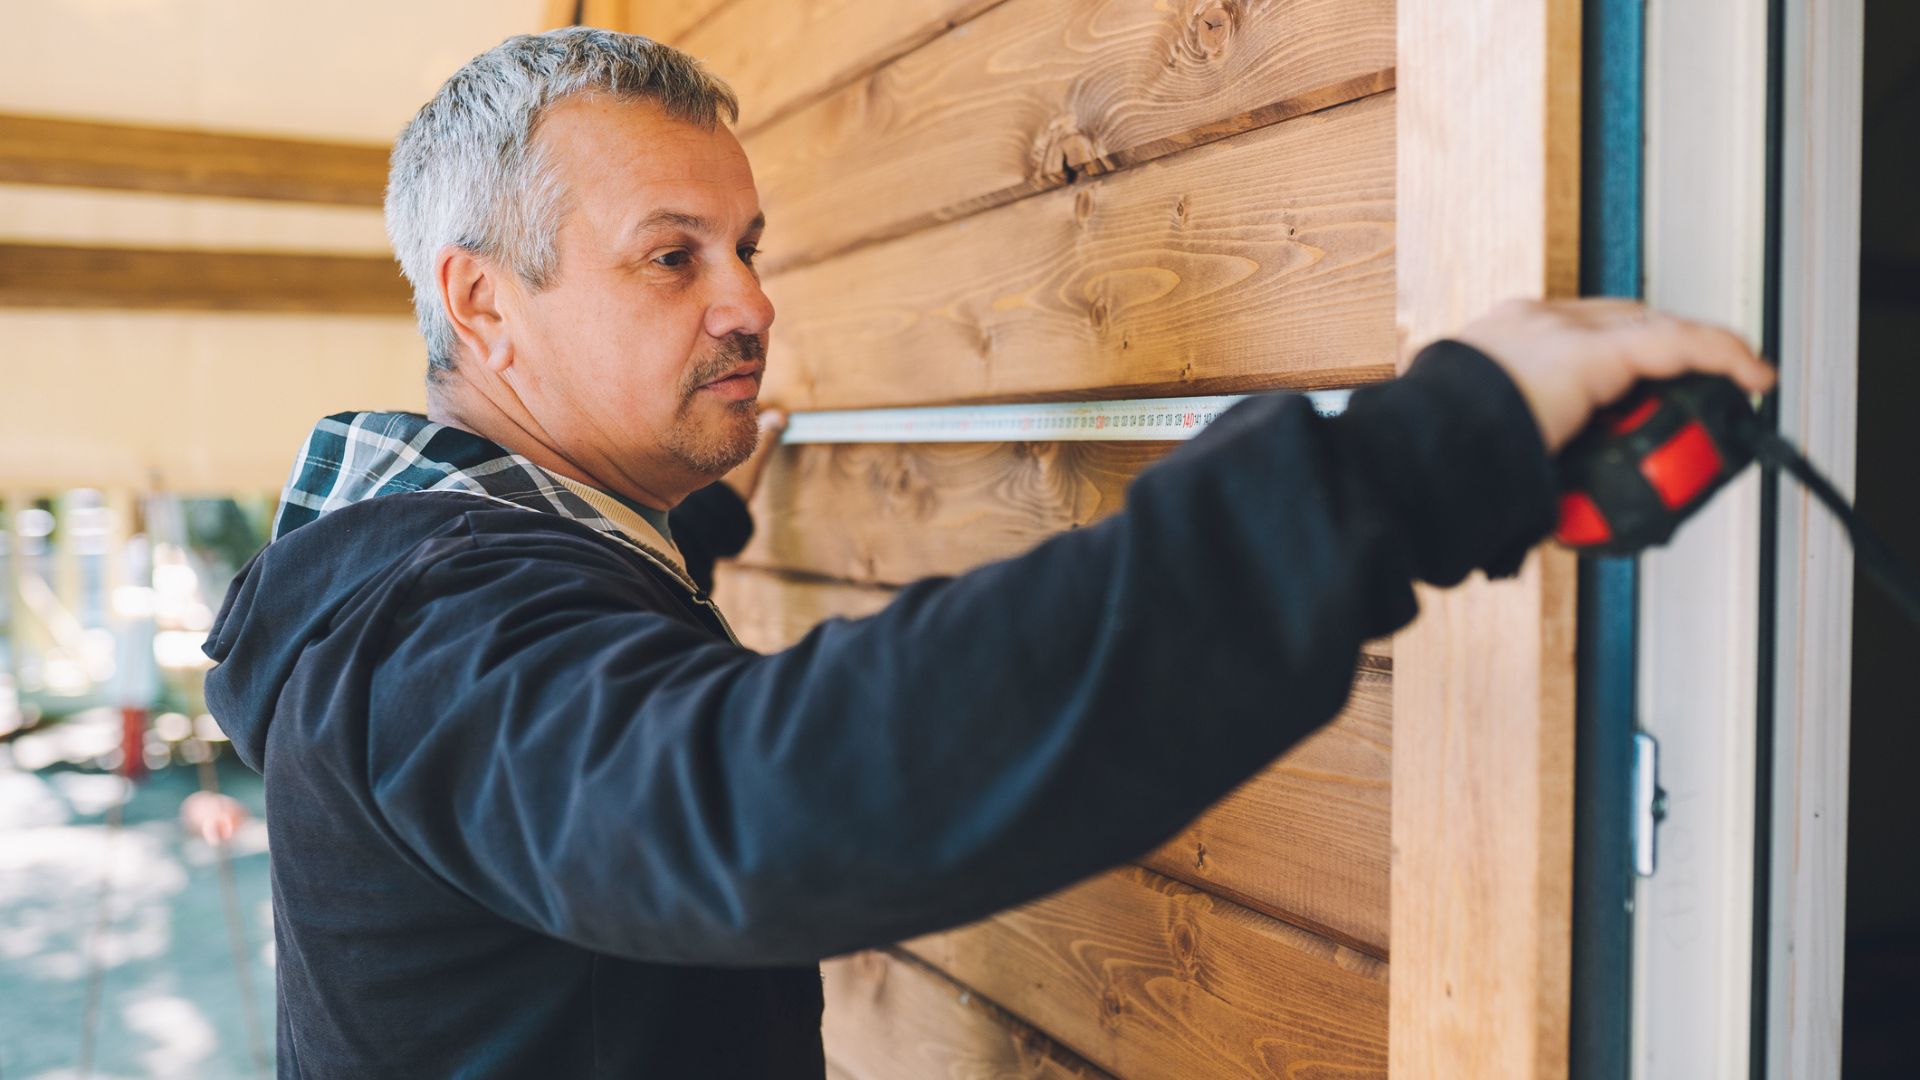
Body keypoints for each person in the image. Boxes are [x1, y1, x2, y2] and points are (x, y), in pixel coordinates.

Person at [200, 27, 1776, 1079]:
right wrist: (1422, 460)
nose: (749, 303)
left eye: (747, 249)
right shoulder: (428, 630)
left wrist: (703, 517)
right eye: (670, 259)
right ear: (482, 305)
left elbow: (596, 679)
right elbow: (750, 802)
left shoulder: (450, 569)